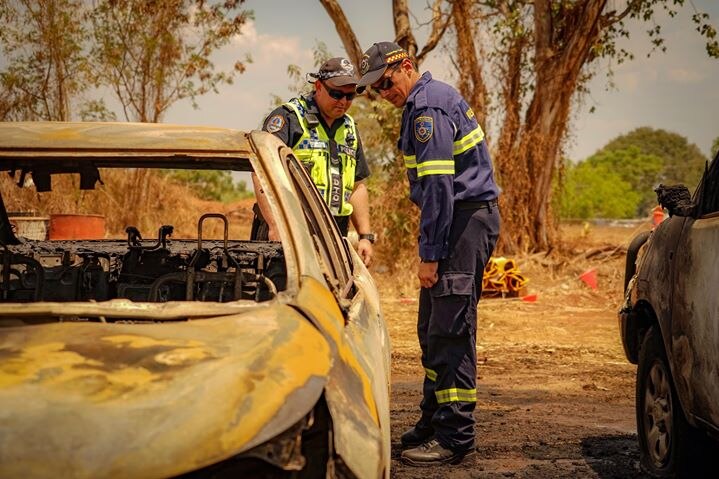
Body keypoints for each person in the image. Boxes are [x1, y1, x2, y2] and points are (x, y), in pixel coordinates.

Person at [357, 42, 501, 466]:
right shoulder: (422, 104)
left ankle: (456, 439)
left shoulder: (429, 109)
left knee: (451, 331)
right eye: (376, 90)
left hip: (461, 223)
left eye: (386, 82)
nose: (384, 93)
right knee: (432, 328)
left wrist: (431, 255)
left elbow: (439, 189)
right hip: (456, 221)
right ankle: (434, 420)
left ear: (406, 66)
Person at [252, 57, 374, 266]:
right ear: (318, 86)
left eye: (350, 95)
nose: (343, 101)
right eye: (336, 94)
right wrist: (275, 225)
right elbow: (261, 172)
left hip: (335, 236)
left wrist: (365, 236)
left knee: (333, 297)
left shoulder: (350, 128)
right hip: (290, 230)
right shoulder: (289, 118)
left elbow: (356, 185)